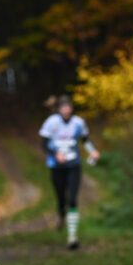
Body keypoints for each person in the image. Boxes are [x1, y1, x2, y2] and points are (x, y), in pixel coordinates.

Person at [39, 95, 99, 249]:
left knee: (72, 199)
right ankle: (60, 213)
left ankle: (72, 237)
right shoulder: (52, 122)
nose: (66, 110)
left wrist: (93, 151)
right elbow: (43, 144)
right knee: (61, 198)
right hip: (56, 166)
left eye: (69, 107)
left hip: (74, 166)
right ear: (59, 109)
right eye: (63, 107)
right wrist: (55, 154)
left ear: (71, 108)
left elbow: (85, 139)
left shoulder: (78, 123)